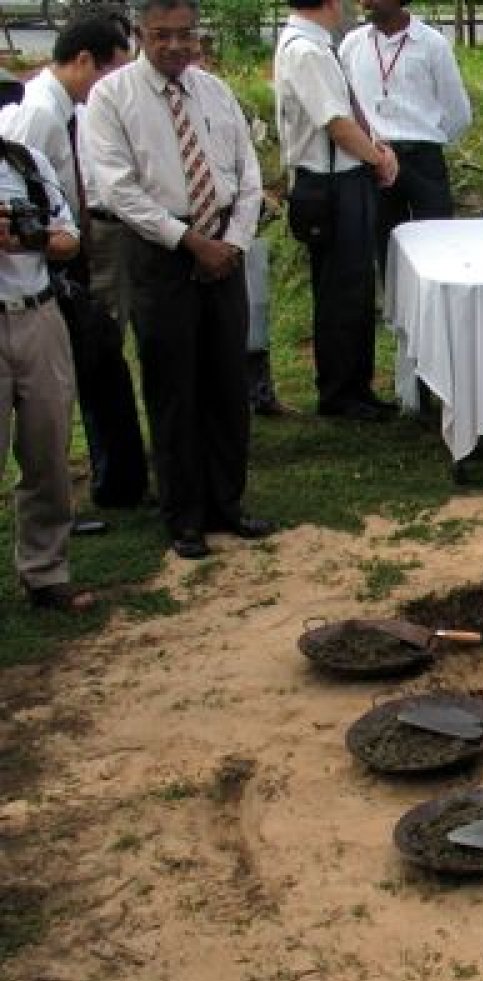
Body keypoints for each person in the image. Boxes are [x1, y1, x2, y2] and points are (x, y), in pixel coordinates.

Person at [84, 0, 273, 561]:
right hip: (161, 252)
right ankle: (184, 516)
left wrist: (232, 242)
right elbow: (119, 189)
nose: (175, 46)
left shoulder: (214, 91)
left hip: (224, 250)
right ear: (141, 34)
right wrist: (190, 242)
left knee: (226, 383)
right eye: (161, 35)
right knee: (173, 388)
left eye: (184, 34)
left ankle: (226, 503)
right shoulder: (111, 97)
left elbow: (247, 173)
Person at [0, 13, 147, 518]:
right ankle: (107, 480)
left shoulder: (66, 108)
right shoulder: (38, 116)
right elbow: (25, 197)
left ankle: (114, 481)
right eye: (113, 72)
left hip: (69, 249)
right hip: (39, 272)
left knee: (95, 363)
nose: (116, 86)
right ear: (84, 61)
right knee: (88, 367)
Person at [274, 0, 400, 423]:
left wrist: (376, 148)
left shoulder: (317, 44)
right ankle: (341, 391)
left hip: (341, 178)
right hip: (330, 183)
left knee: (354, 287)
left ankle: (356, 385)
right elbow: (337, 124)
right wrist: (377, 159)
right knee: (340, 291)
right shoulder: (306, 50)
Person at [0, 133, 93, 611]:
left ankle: (45, 571)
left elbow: (69, 240)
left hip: (38, 313)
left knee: (48, 447)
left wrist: (25, 237)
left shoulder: (25, 163)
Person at [340, 0, 472, 277]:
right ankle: (394, 305)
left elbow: (457, 111)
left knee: (438, 245)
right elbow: (346, 106)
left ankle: (436, 303)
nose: (365, 2)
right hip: (376, 159)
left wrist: (429, 140)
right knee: (386, 249)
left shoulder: (432, 44)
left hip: (423, 159)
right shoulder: (352, 45)